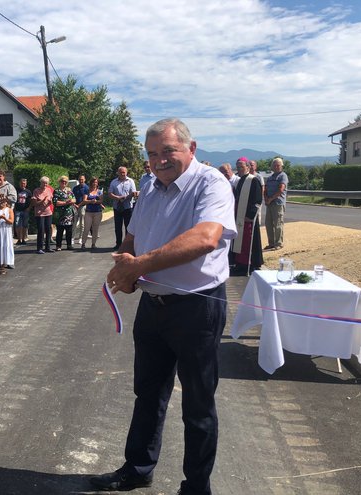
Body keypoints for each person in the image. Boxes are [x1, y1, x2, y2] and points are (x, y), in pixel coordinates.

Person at [91, 118, 236, 494]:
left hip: (196, 310)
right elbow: (133, 239)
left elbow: (205, 238)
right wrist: (123, 264)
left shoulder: (211, 183)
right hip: (153, 307)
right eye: (152, 153)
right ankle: (138, 468)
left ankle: (196, 487)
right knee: (148, 393)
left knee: (198, 404)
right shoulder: (150, 189)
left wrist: (141, 265)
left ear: (191, 148)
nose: (159, 160)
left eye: (168, 151)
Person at [231, 158, 264, 275]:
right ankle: (240, 264)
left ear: (248, 167)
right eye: (237, 167)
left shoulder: (253, 180)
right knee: (239, 242)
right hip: (240, 217)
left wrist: (250, 215)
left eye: (241, 167)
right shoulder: (240, 181)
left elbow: (258, 199)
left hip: (248, 219)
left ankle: (250, 264)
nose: (239, 169)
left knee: (249, 242)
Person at [108, 166, 137, 250]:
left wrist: (126, 197)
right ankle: (118, 244)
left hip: (128, 206)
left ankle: (128, 245)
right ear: (118, 173)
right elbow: (110, 193)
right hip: (117, 207)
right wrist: (117, 197)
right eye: (121, 172)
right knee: (118, 227)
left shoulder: (130, 181)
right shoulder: (114, 182)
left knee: (128, 227)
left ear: (126, 172)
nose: (122, 174)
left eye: (124, 172)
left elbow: (134, 192)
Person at [264, 157, 288, 250]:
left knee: (278, 224)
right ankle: (271, 243)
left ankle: (278, 243)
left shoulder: (283, 176)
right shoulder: (270, 177)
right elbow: (265, 189)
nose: (276, 167)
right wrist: (266, 198)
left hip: (278, 203)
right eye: (274, 165)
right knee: (268, 224)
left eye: (278, 165)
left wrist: (271, 199)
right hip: (269, 203)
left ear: (281, 166)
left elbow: (281, 189)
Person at [52, 175, 77, 251]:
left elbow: (74, 199)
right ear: (60, 182)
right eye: (62, 181)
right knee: (60, 231)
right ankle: (58, 246)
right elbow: (55, 202)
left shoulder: (69, 190)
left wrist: (71, 201)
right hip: (60, 214)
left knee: (69, 231)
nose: (64, 183)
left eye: (65, 182)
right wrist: (66, 202)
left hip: (69, 214)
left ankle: (69, 245)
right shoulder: (57, 191)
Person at [32, 176, 54, 254]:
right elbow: (34, 203)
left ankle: (47, 247)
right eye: (44, 183)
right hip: (39, 213)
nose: (45, 184)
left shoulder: (49, 190)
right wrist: (42, 201)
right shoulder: (36, 191)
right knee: (41, 230)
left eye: (46, 183)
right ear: (40, 183)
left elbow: (51, 199)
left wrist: (50, 202)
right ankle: (39, 248)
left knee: (48, 230)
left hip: (48, 212)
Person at [81, 176, 104, 250]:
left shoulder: (100, 191)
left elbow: (101, 201)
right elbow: (84, 200)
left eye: (96, 182)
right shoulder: (87, 191)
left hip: (98, 212)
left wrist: (96, 202)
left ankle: (93, 244)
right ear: (91, 183)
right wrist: (91, 201)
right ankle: (83, 244)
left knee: (95, 228)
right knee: (86, 228)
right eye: (93, 182)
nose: (95, 183)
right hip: (89, 212)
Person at [14, 178, 32, 245]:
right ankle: (19, 239)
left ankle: (23, 239)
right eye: (21, 183)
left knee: (25, 225)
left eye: (24, 183)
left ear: (26, 184)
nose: (23, 184)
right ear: (19, 183)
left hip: (25, 210)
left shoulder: (28, 192)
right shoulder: (16, 190)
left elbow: (31, 201)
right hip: (18, 210)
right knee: (17, 225)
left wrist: (29, 208)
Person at [72, 175, 89, 244]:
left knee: (82, 224)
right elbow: (72, 197)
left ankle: (80, 238)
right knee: (74, 223)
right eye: (79, 179)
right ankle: (72, 238)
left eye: (82, 179)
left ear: (84, 180)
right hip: (75, 206)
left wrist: (78, 205)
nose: (81, 181)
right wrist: (75, 205)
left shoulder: (86, 188)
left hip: (82, 206)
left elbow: (85, 199)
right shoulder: (75, 188)